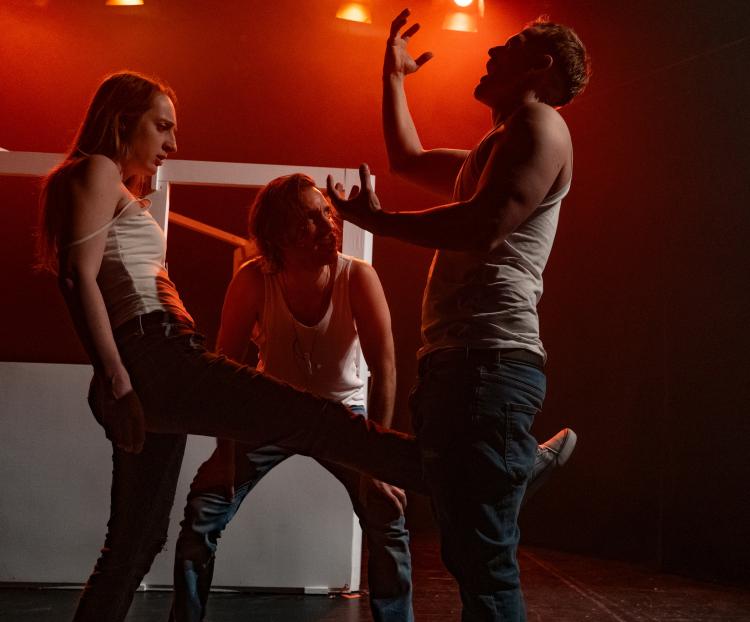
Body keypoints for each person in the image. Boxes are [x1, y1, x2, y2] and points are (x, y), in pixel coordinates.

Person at [36, 71, 425, 622]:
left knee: (135, 544)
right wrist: (116, 378)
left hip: (153, 360)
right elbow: (76, 277)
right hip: (157, 355)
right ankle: (469, 474)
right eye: (162, 126)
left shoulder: (109, 186)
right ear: (122, 121)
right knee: (312, 417)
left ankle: (460, 473)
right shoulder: (96, 169)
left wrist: (122, 376)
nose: (172, 143)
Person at [327, 9, 590, 620]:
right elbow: (407, 159)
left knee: (484, 564)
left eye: (511, 45)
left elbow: (483, 225)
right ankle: (517, 468)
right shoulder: (496, 147)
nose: (492, 51)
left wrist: (380, 223)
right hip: (464, 360)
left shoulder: (540, 124)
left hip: (487, 362)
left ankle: (513, 468)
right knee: (469, 542)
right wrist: (393, 78)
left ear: (541, 66)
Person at [169, 173, 413, 621]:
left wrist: (377, 464)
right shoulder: (253, 279)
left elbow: (386, 369)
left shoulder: (357, 277)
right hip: (273, 410)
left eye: (327, 213)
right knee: (204, 508)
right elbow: (225, 370)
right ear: (279, 234)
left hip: (343, 412)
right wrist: (225, 454)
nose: (328, 226)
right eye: (311, 219)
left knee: (386, 512)